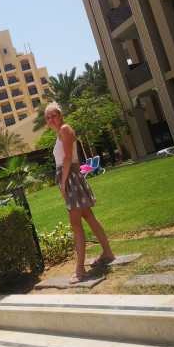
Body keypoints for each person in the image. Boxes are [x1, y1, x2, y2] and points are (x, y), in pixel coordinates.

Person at [45, 102, 115, 284]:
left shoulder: (65, 129)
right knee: (88, 216)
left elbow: (68, 158)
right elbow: (74, 159)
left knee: (75, 222)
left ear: (60, 115)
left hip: (69, 178)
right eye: (47, 117)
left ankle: (80, 269)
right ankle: (107, 253)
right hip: (71, 177)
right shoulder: (60, 133)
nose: (50, 119)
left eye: (53, 115)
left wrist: (63, 184)